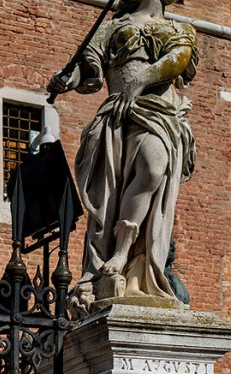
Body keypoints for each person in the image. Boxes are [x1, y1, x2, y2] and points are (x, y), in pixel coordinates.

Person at [48, 0, 198, 310]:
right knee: (109, 199)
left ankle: (124, 252)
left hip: (157, 112)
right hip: (116, 114)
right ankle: (107, 261)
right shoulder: (111, 26)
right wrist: (67, 80)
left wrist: (139, 82)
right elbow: (88, 76)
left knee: (153, 168)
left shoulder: (180, 29)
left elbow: (178, 59)